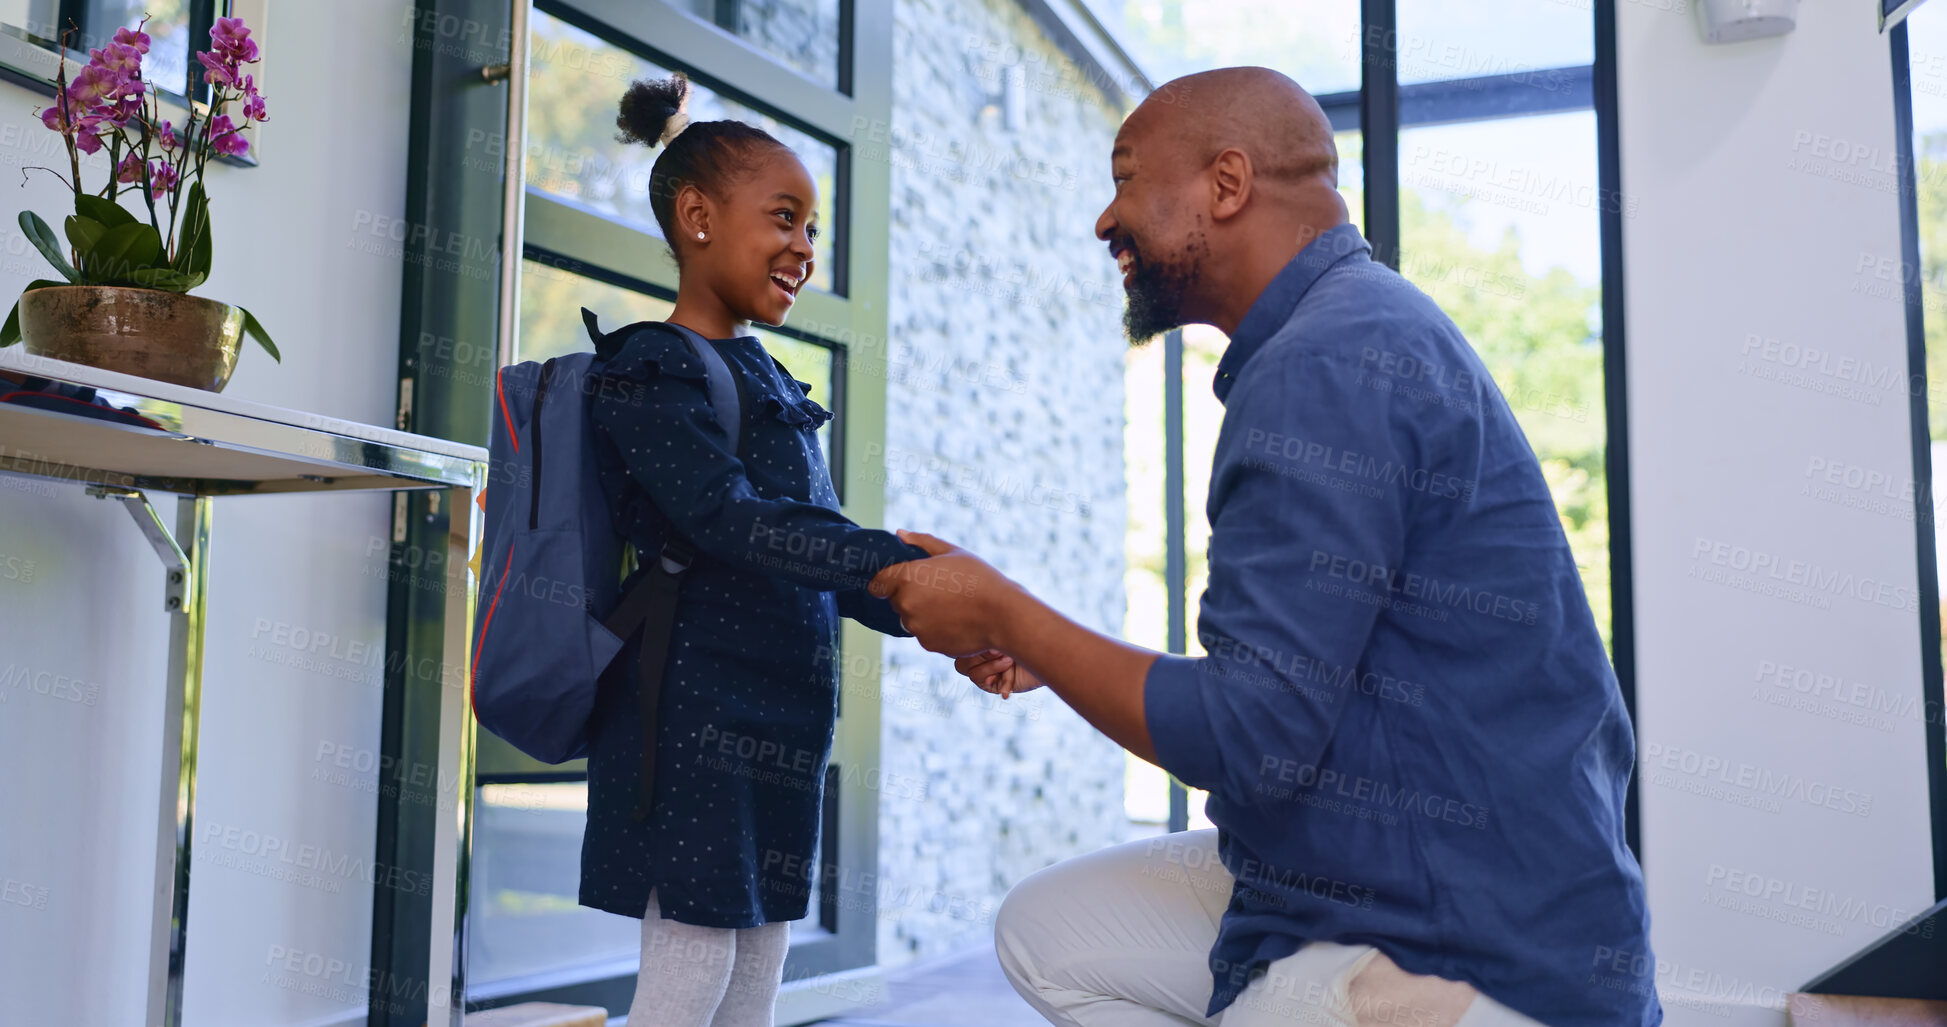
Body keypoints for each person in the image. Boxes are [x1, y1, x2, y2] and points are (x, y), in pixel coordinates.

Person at [870, 67, 1659, 1027]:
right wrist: (1038, 642)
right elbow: (1291, 686)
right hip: (1419, 870)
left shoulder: (1323, 365)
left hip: (1465, 937)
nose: (1103, 218)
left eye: (1124, 178)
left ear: (1227, 183)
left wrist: (1002, 609)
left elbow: (1249, 740)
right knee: (1048, 930)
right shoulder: (1353, 328)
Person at [579, 73, 928, 1027]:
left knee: (756, 975)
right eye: (785, 218)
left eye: (812, 229)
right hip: (689, 722)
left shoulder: (766, 372)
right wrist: (888, 561)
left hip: (781, 721)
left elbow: (803, 536)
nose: (805, 249)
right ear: (696, 217)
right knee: (688, 984)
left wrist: (917, 604)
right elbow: (729, 518)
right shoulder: (650, 369)